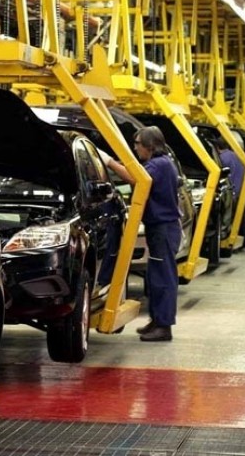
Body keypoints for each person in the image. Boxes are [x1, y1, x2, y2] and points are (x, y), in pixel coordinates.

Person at [97, 126, 180, 342]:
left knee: (163, 279)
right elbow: (137, 171)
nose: (135, 149)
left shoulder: (159, 165)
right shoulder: (160, 162)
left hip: (163, 229)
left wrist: (109, 162)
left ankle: (164, 327)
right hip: (160, 228)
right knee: (155, 277)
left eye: (137, 144)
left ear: (149, 146)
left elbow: (136, 178)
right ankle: (157, 321)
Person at [215, 136, 245, 254]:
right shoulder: (238, 155)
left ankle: (228, 244)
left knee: (227, 221)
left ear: (217, 147)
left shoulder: (221, 159)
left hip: (232, 194)